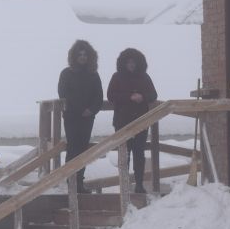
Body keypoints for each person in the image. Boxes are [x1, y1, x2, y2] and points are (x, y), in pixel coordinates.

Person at [106, 47, 159, 193]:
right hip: (122, 121)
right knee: (124, 154)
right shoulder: (117, 77)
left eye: (133, 62)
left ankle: (139, 185)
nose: (131, 65)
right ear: (123, 63)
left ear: (138, 63)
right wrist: (129, 97)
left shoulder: (144, 77)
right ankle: (124, 185)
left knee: (139, 153)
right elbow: (110, 95)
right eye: (128, 62)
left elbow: (153, 95)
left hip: (141, 121)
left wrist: (143, 97)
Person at [57, 40, 104, 194]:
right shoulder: (66, 73)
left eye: (85, 54)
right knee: (72, 148)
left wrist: (91, 110)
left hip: (87, 118)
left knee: (83, 149)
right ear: (74, 56)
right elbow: (63, 94)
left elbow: (99, 96)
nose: (82, 57)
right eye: (80, 54)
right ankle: (71, 181)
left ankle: (79, 182)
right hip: (71, 117)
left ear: (90, 56)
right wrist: (78, 109)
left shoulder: (93, 75)